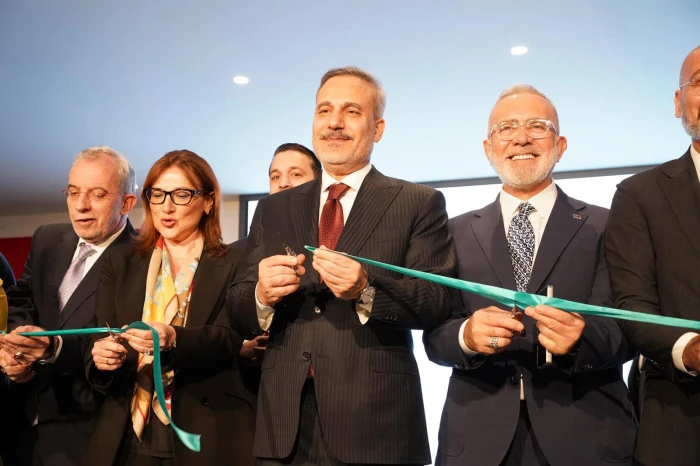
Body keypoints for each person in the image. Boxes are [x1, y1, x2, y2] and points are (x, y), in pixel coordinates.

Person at [229, 66, 455, 465]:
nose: (334, 122)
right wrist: (261, 295)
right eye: (324, 110)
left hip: (376, 423)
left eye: (351, 111)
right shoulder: (273, 207)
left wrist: (366, 289)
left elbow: (438, 300)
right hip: (284, 424)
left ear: (378, 128)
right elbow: (238, 306)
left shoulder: (417, 202)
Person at [424, 84, 636, 465]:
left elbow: (630, 327)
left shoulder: (607, 225)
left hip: (586, 437)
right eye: (505, 128)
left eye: (538, 126)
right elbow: (434, 334)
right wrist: (466, 336)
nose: (521, 137)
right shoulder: (452, 231)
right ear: (488, 148)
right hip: (477, 441)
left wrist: (581, 339)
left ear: (561, 145)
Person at [81, 150, 254, 466]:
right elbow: (101, 335)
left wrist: (174, 338)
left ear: (208, 202)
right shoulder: (120, 261)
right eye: (158, 194)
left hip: (204, 426)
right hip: (128, 427)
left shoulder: (235, 262)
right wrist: (102, 357)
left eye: (181, 195)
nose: (167, 207)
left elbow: (228, 338)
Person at [0, 146, 137, 466]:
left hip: (86, 431)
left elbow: (120, 343)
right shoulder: (46, 239)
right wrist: (18, 350)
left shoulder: (142, 261)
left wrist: (52, 349)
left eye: (97, 194)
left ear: (127, 203)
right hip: (21, 422)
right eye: (73, 192)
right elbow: (22, 298)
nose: (80, 205)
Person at [606, 45, 700, 466]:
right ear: (679, 101)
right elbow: (631, 304)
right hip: (679, 414)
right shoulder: (639, 195)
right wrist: (690, 348)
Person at [236, 142, 320, 394]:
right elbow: (235, 314)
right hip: (271, 384)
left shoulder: (335, 233)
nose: (283, 183)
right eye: (275, 177)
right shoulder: (240, 250)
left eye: (296, 174)